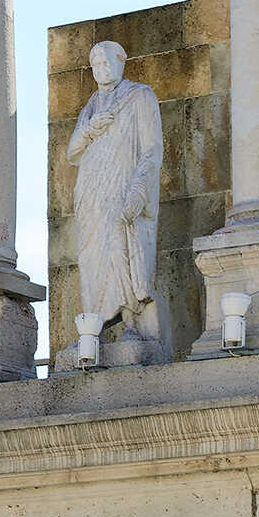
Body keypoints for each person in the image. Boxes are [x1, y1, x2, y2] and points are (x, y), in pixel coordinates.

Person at [67, 41, 168, 352]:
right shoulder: (91, 107)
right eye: (96, 64)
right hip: (91, 193)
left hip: (122, 187)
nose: (102, 68)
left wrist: (139, 189)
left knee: (121, 250)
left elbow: (152, 150)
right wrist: (88, 129)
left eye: (107, 61)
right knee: (91, 257)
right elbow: (73, 152)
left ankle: (133, 326)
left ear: (121, 63)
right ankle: (92, 330)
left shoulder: (140, 96)